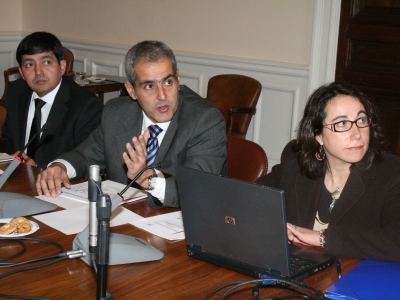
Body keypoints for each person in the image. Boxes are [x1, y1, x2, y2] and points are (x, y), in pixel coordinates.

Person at [36, 40, 227, 209]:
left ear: (178, 78)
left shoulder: (205, 120)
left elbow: (196, 190)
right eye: (149, 86)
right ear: (131, 90)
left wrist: (146, 178)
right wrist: (60, 167)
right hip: (126, 221)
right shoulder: (116, 113)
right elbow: (85, 156)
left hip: (180, 228)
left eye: (168, 82)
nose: (162, 96)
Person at [256, 82, 400, 261]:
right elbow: (254, 198)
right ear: (318, 136)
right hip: (300, 272)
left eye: (361, 120)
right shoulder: (296, 161)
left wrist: (323, 238)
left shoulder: (392, 172)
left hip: (356, 278)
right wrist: (274, 222)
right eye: (341, 123)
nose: (357, 133)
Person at [0, 32, 103, 169]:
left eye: (46, 62)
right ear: (22, 72)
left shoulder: (86, 105)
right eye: (29, 65)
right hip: (16, 178)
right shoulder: (16, 92)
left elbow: (88, 161)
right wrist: (7, 158)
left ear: (62, 66)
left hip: (60, 184)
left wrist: (39, 168)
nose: (38, 72)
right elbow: (8, 139)